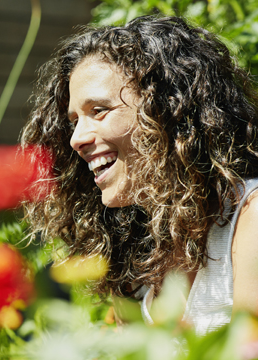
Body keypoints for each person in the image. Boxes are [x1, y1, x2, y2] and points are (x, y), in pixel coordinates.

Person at [20, 15, 258, 335]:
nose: (76, 139)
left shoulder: (250, 219)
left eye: (98, 111)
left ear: (167, 108)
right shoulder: (133, 247)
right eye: (74, 120)